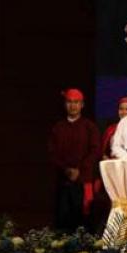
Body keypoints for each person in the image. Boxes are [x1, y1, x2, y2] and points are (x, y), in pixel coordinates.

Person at [48, 88, 100, 232]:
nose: (73, 106)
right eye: (70, 102)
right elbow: (52, 153)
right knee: (63, 222)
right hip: (63, 182)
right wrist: (66, 169)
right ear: (65, 105)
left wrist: (80, 170)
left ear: (82, 105)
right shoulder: (58, 128)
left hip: (83, 182)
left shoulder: (90, 127)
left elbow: (95, 151)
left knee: (84, 223)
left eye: (76, 102)